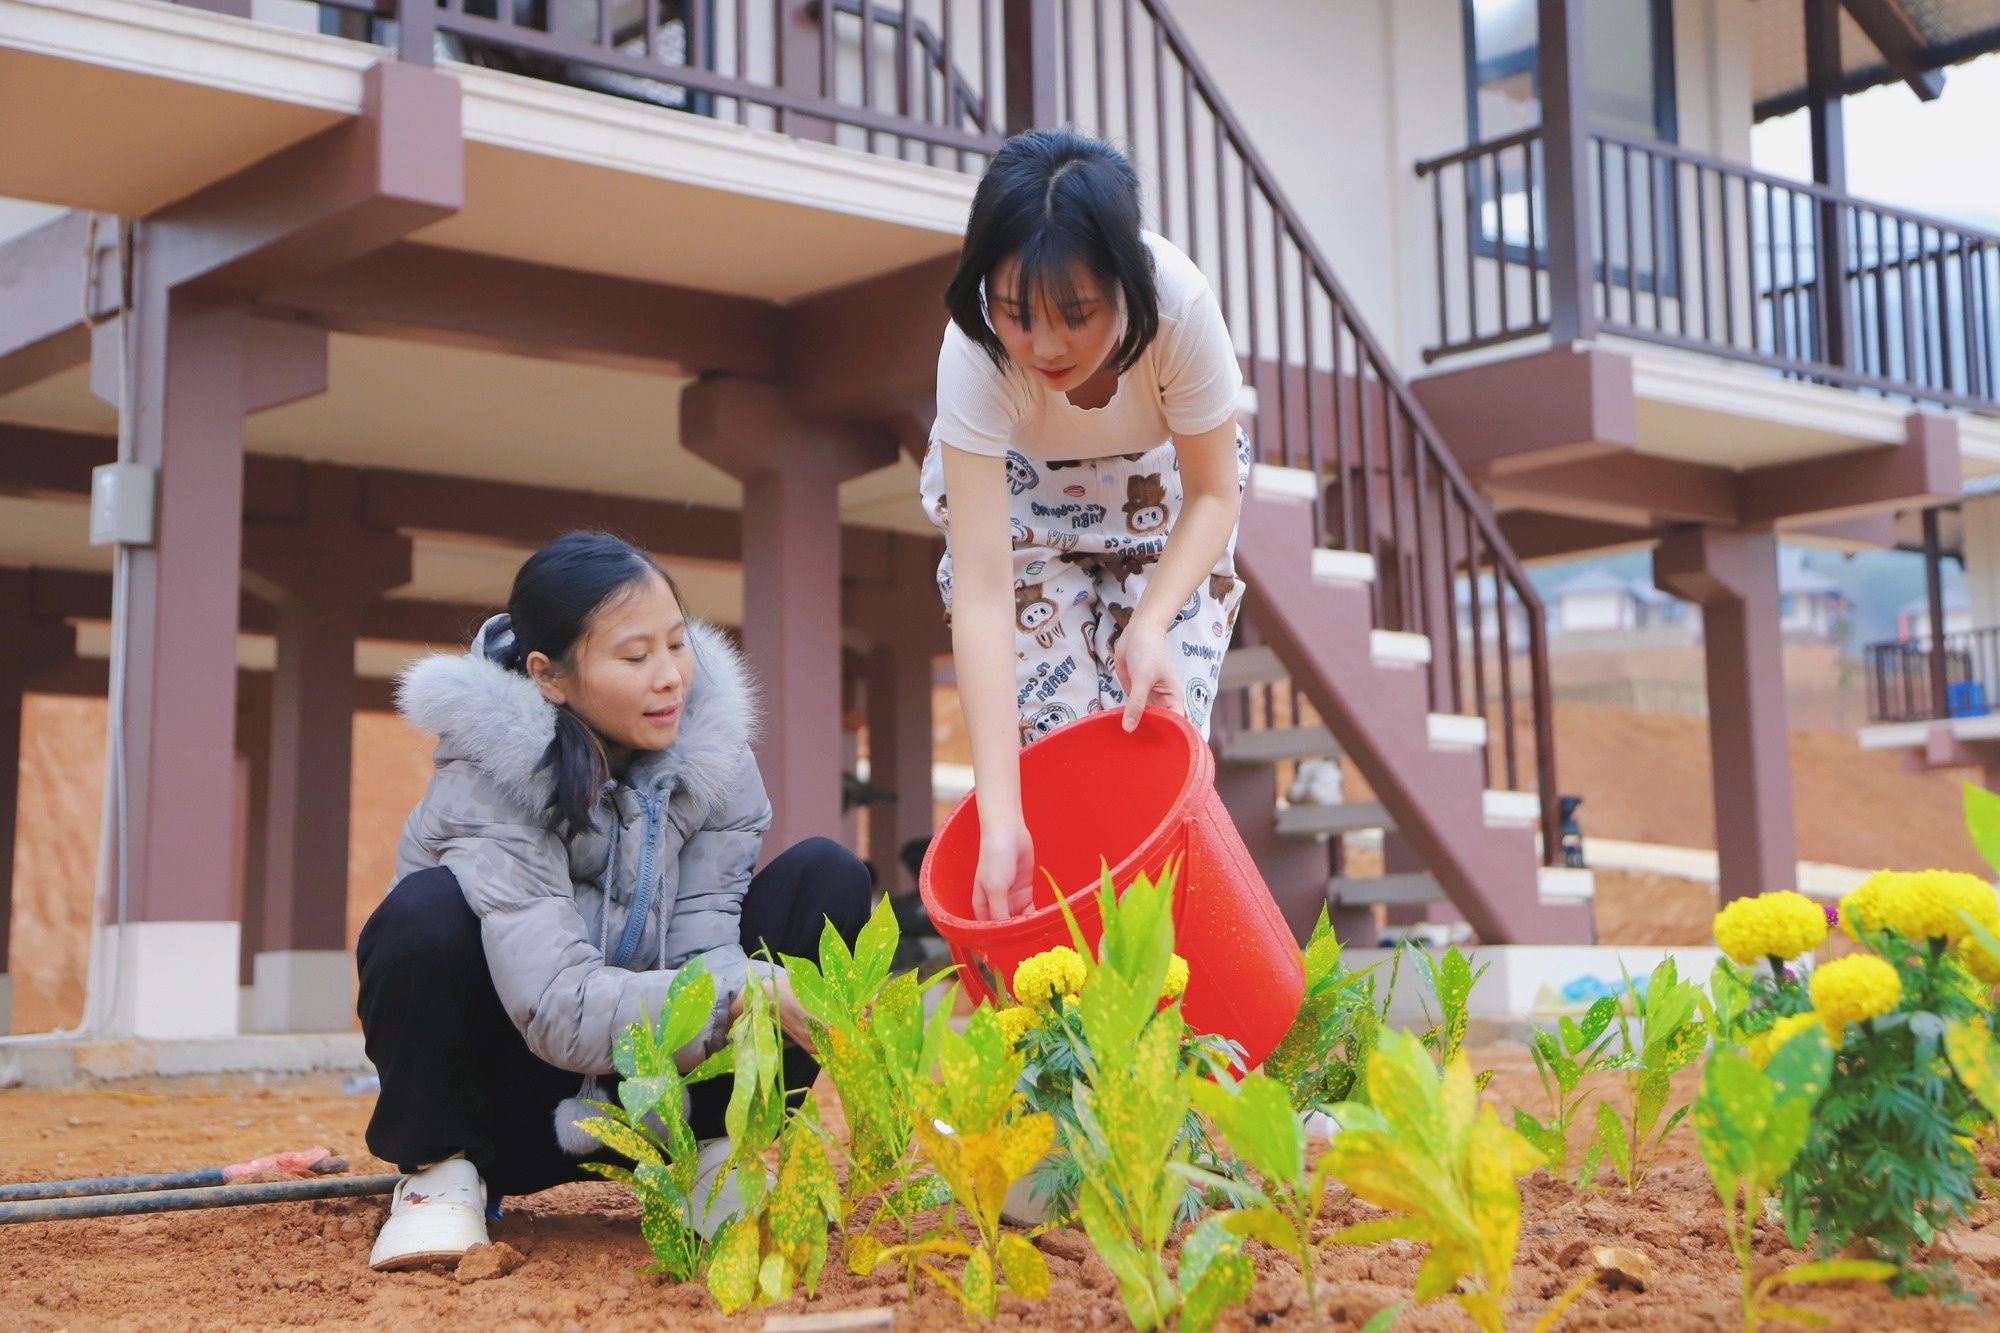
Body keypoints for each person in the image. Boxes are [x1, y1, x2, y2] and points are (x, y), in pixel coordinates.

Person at [356, 531, 870, 1270]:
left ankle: (714, 1159)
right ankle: (442, 1175)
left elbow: (707, 943)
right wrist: (735, 996)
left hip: (660, 1101)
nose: (670, 678)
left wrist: (739, 992)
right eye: (635, 657)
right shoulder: (487, 776)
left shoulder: (712, 755)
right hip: (518, 1107)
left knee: (828, 877)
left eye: (675, 643)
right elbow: (558, 1005)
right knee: (422, 915)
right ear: (550, 675)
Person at [921, 128, 1250, 923]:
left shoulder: (1179, 306)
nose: (1045, 344)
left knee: (1152, 738)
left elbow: (1213, 494)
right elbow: (987, 592)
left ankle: (1167, 1001)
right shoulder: (974, 351)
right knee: (1057, 754)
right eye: (1017, 314)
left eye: (1075, 312)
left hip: (1164, 504)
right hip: (1024, 506)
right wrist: (999, 817)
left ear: (1125, 283)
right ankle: (1069, 1008)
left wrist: (1152, 621)